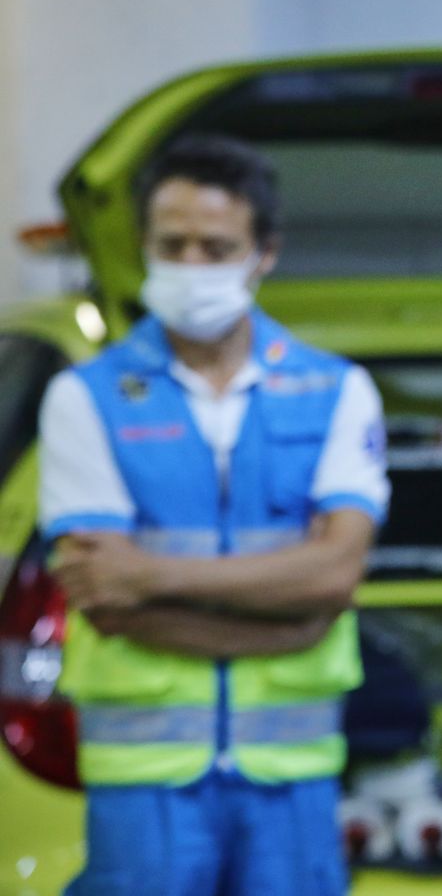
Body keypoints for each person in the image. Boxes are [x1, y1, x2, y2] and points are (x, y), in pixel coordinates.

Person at [38, 135, 390, 895]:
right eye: (173, 245)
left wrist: (150, 575)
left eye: (216, 246)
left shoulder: (338, 390)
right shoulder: (85, 397)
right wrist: (288, 623)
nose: (192, 265)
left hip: (291, 780)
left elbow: (334, 574)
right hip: (144, 779)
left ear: (264, 253)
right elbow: (102, 597)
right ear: (143, 247)